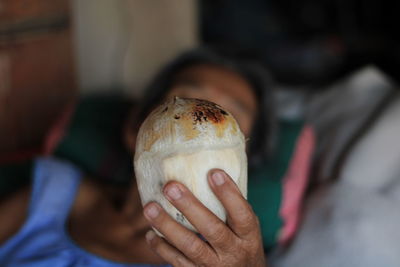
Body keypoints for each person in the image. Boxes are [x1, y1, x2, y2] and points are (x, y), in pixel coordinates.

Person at [0, 47, 276, 266]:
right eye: (186, 101)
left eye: (229, 117)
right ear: (136, 127)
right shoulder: (54, 191)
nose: (202, 123)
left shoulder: (229, 262)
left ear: (243, 162)